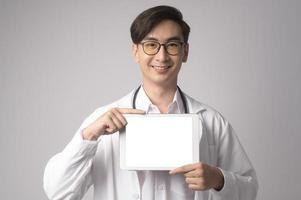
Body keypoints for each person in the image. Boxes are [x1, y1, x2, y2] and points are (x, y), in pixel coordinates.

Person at [43, 5, 258, 200]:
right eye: (151, 45)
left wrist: (218, 180)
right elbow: (58, 192)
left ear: (185, 52)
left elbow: (250, 190)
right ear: (136, 51)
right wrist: (88, 137)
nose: (162, 56)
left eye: (172, 45)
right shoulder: (101, 121)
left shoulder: (212, 121)